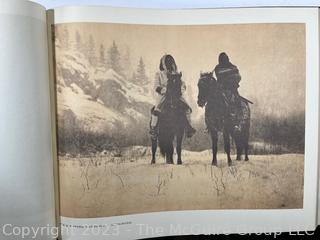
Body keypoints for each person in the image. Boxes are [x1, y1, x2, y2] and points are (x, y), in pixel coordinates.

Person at [150, 54, 196, 138]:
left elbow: (183, 85)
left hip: (176, 95)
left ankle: (188, 128)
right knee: (156, 110)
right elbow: (156, 86)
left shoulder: (176, 74)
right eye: (167, 62)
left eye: (170, 61)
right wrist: (165, 90)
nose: (169, 63)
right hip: (163, 96)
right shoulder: (159, 74)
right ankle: (154, 128)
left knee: (187, 109)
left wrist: (180, 90)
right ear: (163, 63)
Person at [213, 52, 242, 130]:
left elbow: (238, 76)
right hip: (221, 89)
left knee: (237, 101)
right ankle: (213, 123)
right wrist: (230, 72)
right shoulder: (218, 67)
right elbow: (219, 74)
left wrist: (228, 75)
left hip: (232, 89)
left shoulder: (233, 66)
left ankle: (238, 121)